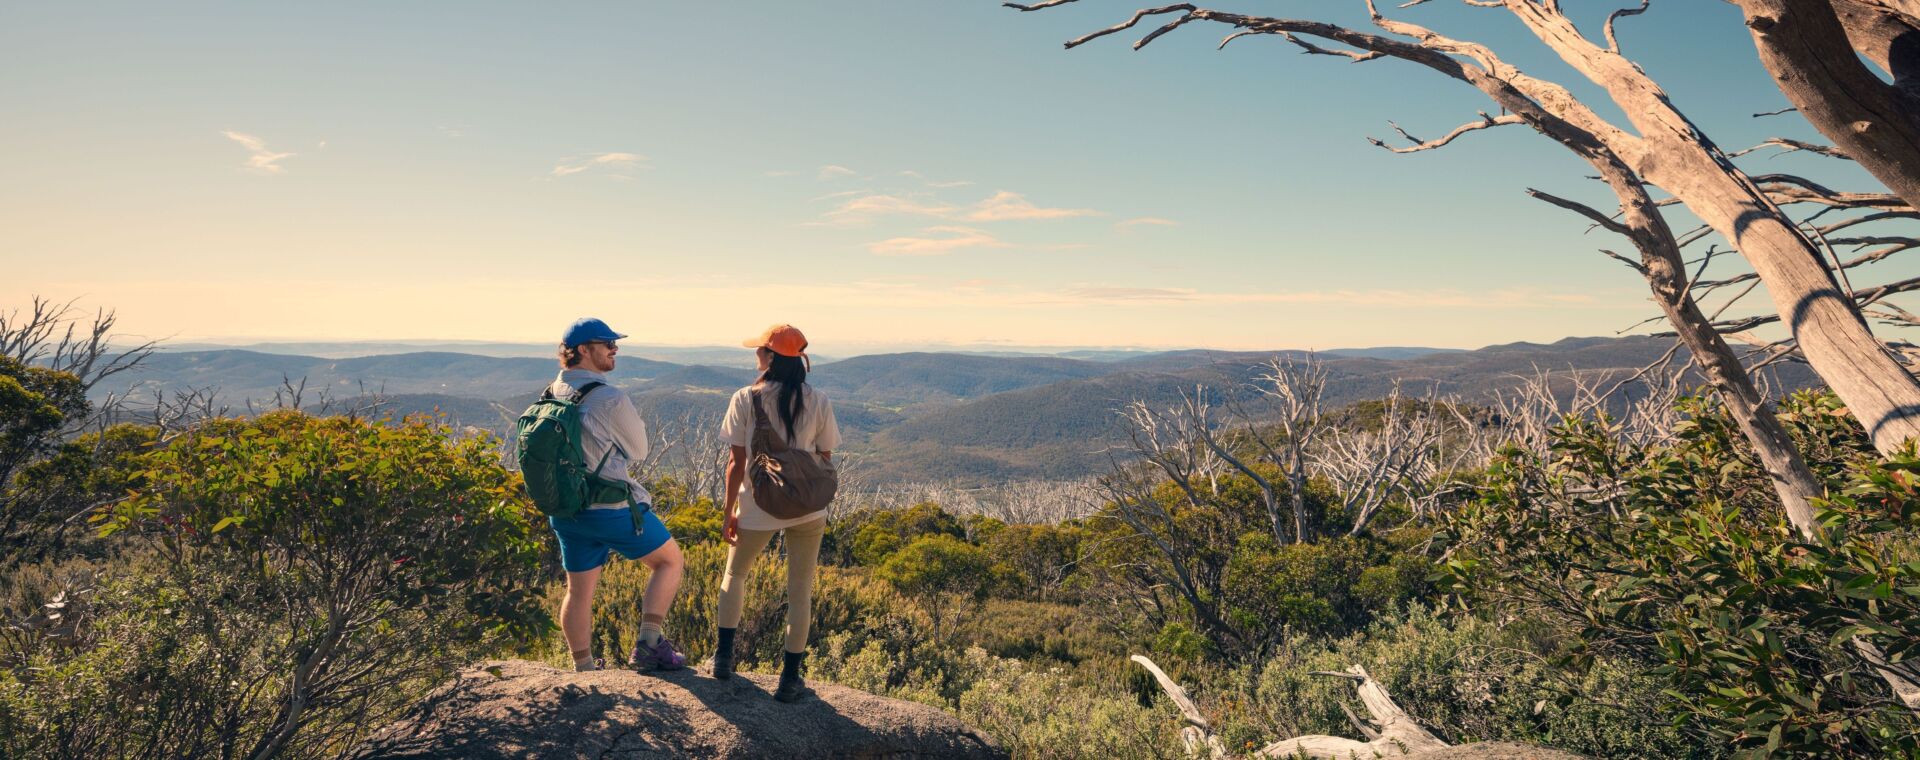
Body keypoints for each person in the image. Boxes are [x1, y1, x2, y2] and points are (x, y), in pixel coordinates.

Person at [546, 317, 687, 672]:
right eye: (606, 344)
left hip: (567, 511)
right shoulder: (608, 397)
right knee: (669, 561)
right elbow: (638, 449)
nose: (614, 349)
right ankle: (649, 645)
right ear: (582, 351)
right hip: (610, 507)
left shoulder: (550, 393)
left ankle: (585, 668)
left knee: (578, 591)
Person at [713, 323, 840, 702]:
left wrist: (729, 510)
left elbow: (736, 463)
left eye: (760, 350)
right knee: (800, 593)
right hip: (807, 510)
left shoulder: (744, 398)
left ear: (770, 357)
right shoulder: (818, 399)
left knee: (735, 575)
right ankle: (789, 680)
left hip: (757, 506)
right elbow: (825, 456)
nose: (756, 355)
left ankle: (722, 660)